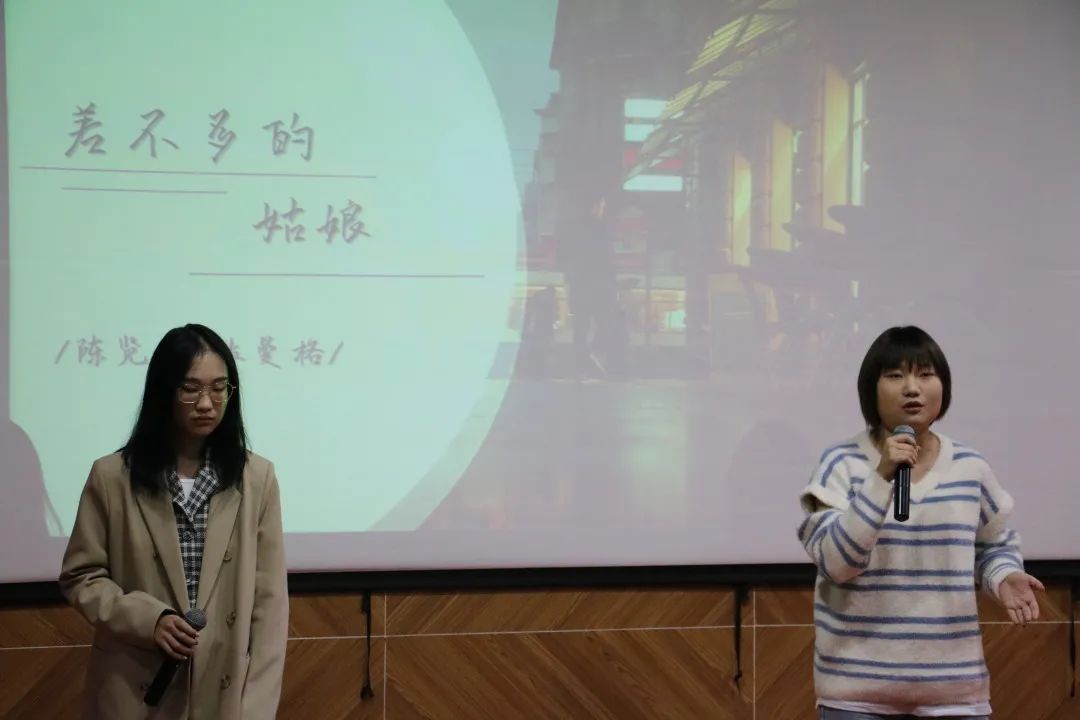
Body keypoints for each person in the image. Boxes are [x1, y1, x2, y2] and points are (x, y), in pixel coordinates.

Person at [797, 326, 1043, 719]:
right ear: (871, 389)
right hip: (857, 692)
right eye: (895, 376)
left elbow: (993, 546)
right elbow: (838, 563)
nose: (912, 388)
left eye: (926, 375)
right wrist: (881, 477)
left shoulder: (969, 467)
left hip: (953, 690)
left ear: (943, 387)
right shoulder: (840, 464)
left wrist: (1004, 575)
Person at [59, 324, 288, 719]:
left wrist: (255, 710)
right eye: (190, 389)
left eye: (219, 388)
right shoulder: (112, 477)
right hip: (135, 690)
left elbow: (270, 604)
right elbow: (81, 577)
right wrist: (149, 620)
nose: (207, 403)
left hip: (224, 692)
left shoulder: (256, 478)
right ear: (164, 391)